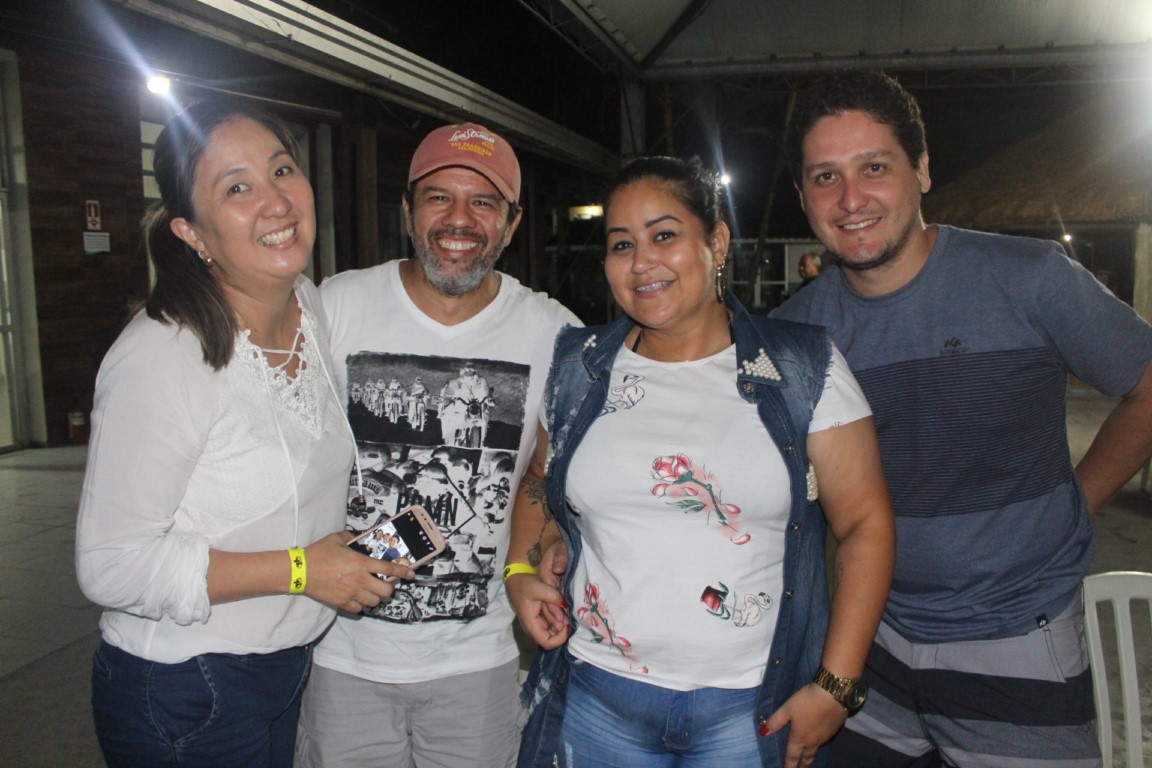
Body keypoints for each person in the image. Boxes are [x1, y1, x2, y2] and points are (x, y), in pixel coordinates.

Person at [773, 69, 1152, 768]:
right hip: (870, 646)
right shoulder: (794, 335)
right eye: (826, 177)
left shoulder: (1030, 278)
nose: (851, 199)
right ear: (802, 196)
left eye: (874, 167)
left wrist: (1080, 497)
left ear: (920, 169)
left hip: (1018, 642)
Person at [507, 156, 897, 768]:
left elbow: (865, 526)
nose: (642, 262)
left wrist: (835, 687)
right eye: (621, 244)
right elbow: (538, 484)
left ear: (716, 242)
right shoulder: (579, 368)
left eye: (664, 235)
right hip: (598, 697)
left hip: (749, 708)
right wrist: (519, 571)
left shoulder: (800, 367)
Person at [75, 100, 410, 768]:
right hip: (182, 688)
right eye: (236, 188)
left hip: (279, 671)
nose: (276, 202)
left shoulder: (307, 306)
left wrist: (338, 554)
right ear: (191, 232)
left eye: (281, 170)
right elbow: (109, 564)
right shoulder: (163, 357)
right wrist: (302, 569)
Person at [297, 122, 580, 768]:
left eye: (483, 202)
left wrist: (532, 560)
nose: (460, 220)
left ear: (512, 223)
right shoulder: (336, 305)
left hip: (477, 664)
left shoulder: (552, 332)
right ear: (407, 211)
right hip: (341, 658)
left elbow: (544, 473)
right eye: (439, 198)